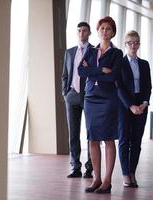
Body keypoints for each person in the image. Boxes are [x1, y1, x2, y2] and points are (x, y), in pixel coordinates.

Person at [78, 16, 123, 194]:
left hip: (108, 100)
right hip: (90, 98)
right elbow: (81, 71)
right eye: (102, 28)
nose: (105, 32)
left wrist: (92, 71)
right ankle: (96, 178)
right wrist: (100, 70)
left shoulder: (117, 53)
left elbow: (113, 77)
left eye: (108, 29)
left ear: (113, 33)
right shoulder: (90, 51)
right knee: (92, 139)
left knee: (108, 138)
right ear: (97, 31)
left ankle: (107, 180)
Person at [117, 30, 152, 188]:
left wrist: (144, 103)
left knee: (136, 142)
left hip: (141, 105)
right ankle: (125, 174)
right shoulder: (120, 63)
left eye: (136, 42)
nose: (133, 45)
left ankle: (132, 172)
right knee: (124, 140)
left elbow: (148, 87)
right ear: (125, 44)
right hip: (125, 105)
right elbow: (118, 87)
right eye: (130, 42)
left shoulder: (144, 64)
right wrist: (130, 106)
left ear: (139, 44)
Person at [62, 22, 93, 178]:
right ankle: (75, 167)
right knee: (73, 134)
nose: (81, 33)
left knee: (91, 133)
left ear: (89, 33)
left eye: (84, 30)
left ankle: (90, 168)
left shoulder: (95, 51)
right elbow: (65, 75)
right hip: (72, 96)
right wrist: (65, 93)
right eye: (79, 30)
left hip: (89, 96)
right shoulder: (69, 52)